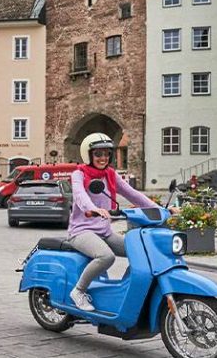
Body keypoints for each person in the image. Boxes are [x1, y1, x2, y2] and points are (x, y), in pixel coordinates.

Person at [68, 133, 162, 312]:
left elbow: (132, 193)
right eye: (98, 154)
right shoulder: (78, 174)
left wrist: (160, 209)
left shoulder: (110, 174)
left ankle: (132, 290)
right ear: (89, 155)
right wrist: (92, 208)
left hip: (104, 231)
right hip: (81, 231)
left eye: (106, 154)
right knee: (106, 257)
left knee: (140, 252)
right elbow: (79, 195)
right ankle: (78, 291)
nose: (103, 158)